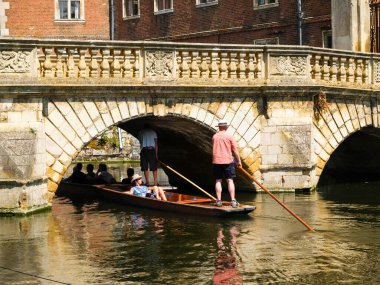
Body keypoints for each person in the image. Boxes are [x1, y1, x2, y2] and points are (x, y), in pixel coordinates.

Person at [212, 119, 242, 208]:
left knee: (218, 180)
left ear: (219, 127)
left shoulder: (214, 136)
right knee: (230, 180)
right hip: (228, 161)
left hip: (216, 161)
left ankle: (219, 201)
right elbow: (235, 150)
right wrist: (239, 161)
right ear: (226, 127)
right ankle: (233, 200)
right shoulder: (229, 136)